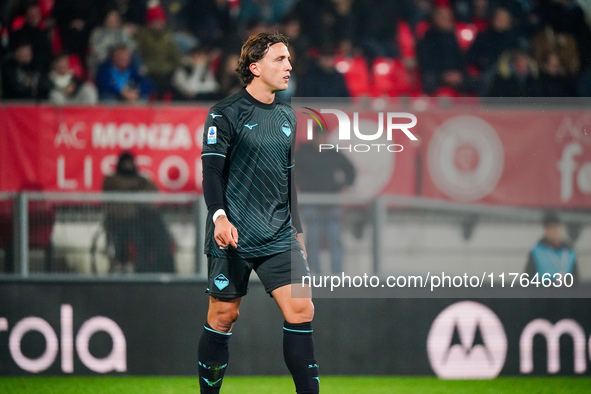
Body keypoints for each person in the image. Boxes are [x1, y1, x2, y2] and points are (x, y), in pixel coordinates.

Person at [199, 32, 318, 394]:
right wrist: (220, 216)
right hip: (233, 232)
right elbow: (211, 172)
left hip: (278, 233)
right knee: (224, 316)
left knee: (301, 309)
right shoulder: (224, 113)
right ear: (255, 67)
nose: (289, 66)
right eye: (280, 59)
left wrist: (297, 230)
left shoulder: (287, 116)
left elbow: (289, 178)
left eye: (289, 59)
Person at [102, 152, 175, 273]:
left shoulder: (140, 179)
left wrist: (138, 184)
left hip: (141, 221)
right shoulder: (111, 180)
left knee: (159, 234)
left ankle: (162, 266)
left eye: (130, 164)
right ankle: (142, 270)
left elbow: (153, 190)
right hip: (121, 222)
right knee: (140, 240)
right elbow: (117, 187)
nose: (128, 167)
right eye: (125, 164)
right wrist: (136, 186)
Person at [295, 128, 356, 274]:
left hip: (331, 201)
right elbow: (290, 169)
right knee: (313, 237)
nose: (321, 140)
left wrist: (344, 184)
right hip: (311, 201)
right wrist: (302, 185)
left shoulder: (333, 153)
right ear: (314, 137)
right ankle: (314, 272)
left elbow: (350, 170)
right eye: (319, 137)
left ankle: (337, 273)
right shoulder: (304, 153)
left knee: (334, 237)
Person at [525, 211, 579, 284]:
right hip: (543, 292)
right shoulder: (537, 252)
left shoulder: (570, 252)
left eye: (556, 228)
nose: (554, 232)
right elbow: (528, 279)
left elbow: (576, 279)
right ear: (546, 231)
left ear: (561, 229)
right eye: (550, 228)